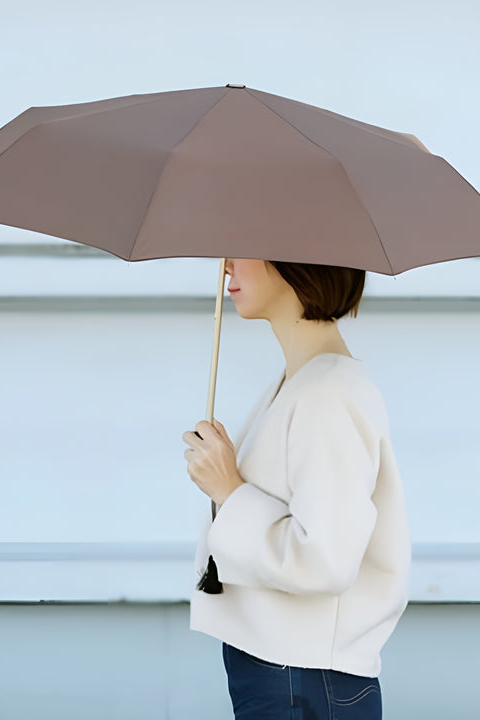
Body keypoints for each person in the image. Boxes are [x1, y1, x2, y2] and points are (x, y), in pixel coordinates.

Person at [182, 258, 411, 720]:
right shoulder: (303, 382)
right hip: (286, 671)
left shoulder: (328, 393)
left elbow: (324, 560)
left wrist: (231, 490)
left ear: (294, 264)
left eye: (244, 245)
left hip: (302, 677)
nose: (226, 263)